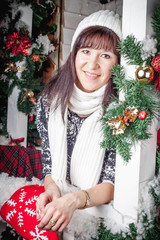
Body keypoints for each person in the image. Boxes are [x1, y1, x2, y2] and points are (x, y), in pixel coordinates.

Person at [36, 9, 122, 239]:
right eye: (86, 51)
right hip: (62, 199)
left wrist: (73, 200)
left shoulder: (123, 112)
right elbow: (48, 162)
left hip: (100, 213)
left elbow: (113, 182)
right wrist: (52, 190)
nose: (92, 64)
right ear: (74, 54)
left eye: (106, 55)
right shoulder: (50, 101)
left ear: (118, 63)